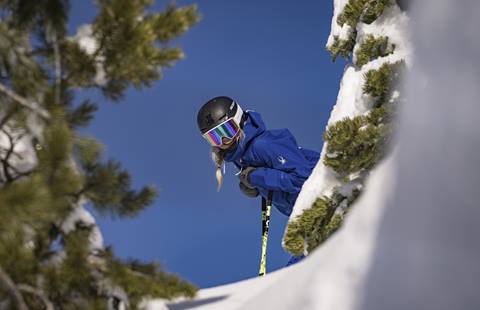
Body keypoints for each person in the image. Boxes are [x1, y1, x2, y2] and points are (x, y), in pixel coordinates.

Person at [197, 96, 320, 266]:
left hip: (329, 198)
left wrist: (257, 176)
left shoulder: (263, 144)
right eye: (215, 137)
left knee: (299, 272)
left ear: (239, 119)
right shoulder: (242, 157)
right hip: (311, 216)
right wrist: (256, 185)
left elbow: (305, 179)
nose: (224, 140)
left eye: (227, 130)